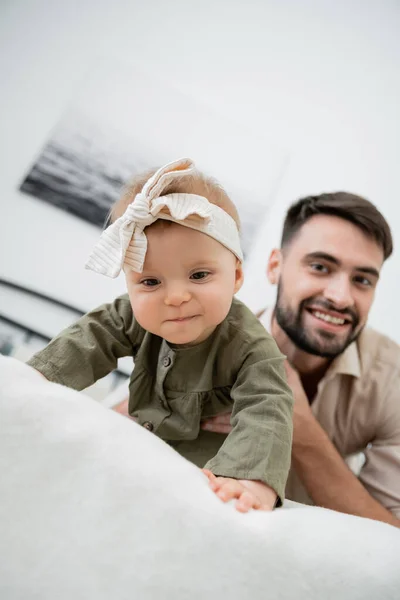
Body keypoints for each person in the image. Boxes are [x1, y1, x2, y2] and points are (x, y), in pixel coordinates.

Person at [27, 158, 294, 513]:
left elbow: (267, 409)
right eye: (150, 282)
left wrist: (248, 481)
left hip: (210, 466)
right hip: (139, 441)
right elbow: (88, 339)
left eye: (199, 275)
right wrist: (33, 381)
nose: (175, 297)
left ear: (237, 276)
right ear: (129, 284)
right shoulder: (127, 316)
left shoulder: (251, 347)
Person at [202, 192, 400, 528]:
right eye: (320, 267)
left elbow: (392, 536)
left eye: (362, 280)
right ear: (275, 267)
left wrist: (298, 424)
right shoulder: (203, 342)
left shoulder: (392, 380)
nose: (340, 297)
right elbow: (114, 431)